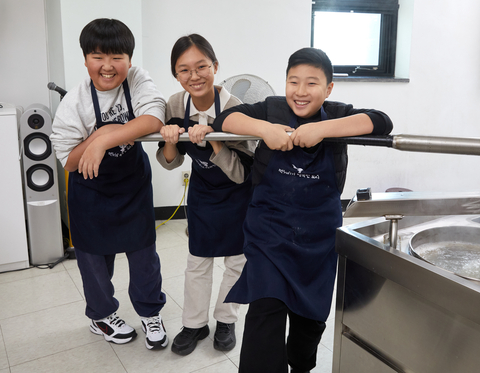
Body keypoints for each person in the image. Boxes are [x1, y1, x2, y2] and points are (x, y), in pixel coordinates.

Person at [212, 47, 393, 373]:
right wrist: (263, 129)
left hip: (317, 239)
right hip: (270, 233)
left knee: (309, 320)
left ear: (328, 89)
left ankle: (301, 364)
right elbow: (225, 118)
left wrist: (322, 130)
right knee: (264, 308)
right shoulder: (270, 108)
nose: (301, 90)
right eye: (293, 81)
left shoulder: (337, 113)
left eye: (312, 83)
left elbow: (381, 121)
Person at [50, 18, 167, 350]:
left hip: (132, 188)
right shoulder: (74, 103)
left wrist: (101, 139)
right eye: (98, 56)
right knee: (95, 262)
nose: (107, 66)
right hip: (91, 192)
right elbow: (70, 160)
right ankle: (101, 315)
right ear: (85, 58)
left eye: (117, 57)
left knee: (145, 257)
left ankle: (150, 311)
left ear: (129, 60)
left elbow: (153, 117)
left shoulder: (137, 79)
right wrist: (100, 137)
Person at [155, 34, 254, 356]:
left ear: (215, 67)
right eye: (184, 70)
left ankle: (226, 319)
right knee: (197, 261)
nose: (194, 76)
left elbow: (241, 172)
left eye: (201, 66)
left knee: (236, 262)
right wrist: (170, 139)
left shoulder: (236, 109)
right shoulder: (174, 105)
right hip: (202, 195)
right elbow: (171, 163)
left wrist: (215, 140)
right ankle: (194, 324)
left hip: (238, 195)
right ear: (175, 74)